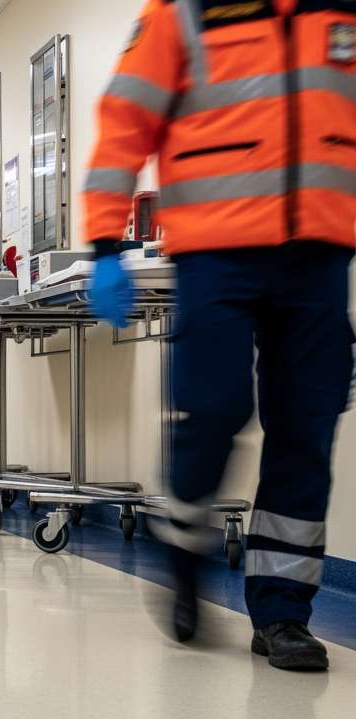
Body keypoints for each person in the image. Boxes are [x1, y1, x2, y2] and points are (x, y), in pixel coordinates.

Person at [83, 0, 355, 670]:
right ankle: (182, 542)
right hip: (216, 249)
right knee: (212, 406)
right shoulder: (187, 12)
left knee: (306, 428)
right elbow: (124, 120)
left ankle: (283, 612)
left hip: (320, 253)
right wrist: (103, 243)